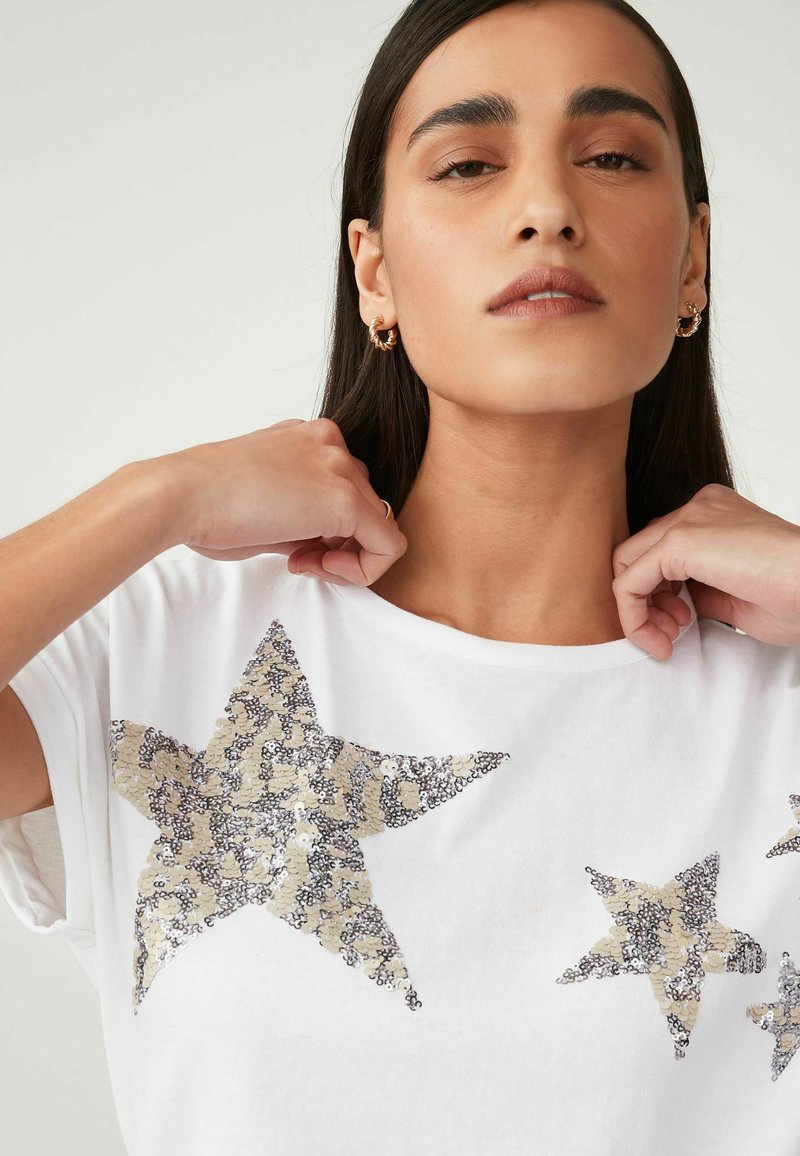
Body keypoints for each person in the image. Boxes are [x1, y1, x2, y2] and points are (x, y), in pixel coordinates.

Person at [3, 1, 800, 1153]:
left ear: (691, 261)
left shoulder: (781, 697)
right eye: (469, 164)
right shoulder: (160, 648)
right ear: (371, 273)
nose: (545, 209)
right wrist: (157, 496)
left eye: (612, 158)